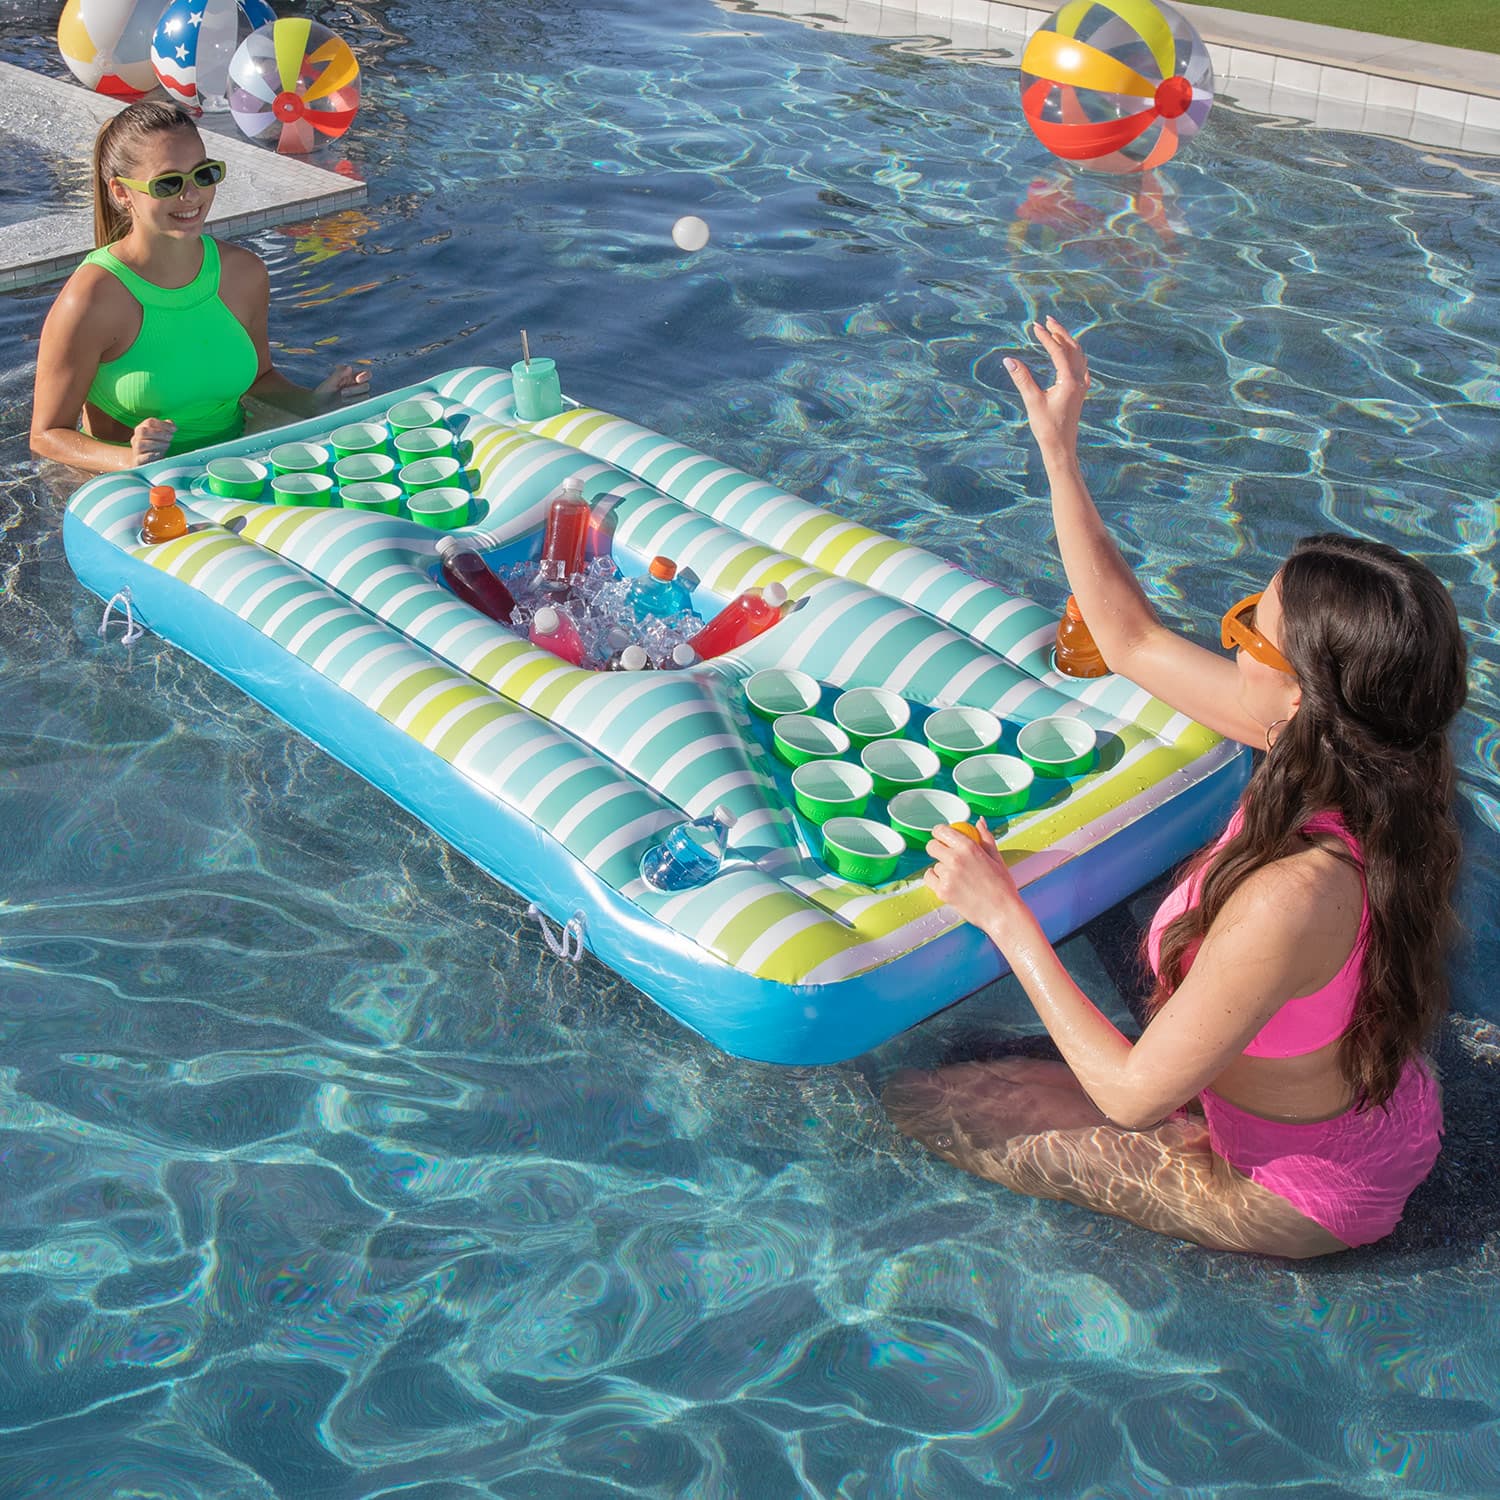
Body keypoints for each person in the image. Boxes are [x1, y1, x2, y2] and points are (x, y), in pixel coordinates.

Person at [884, 318, 1468, 1258]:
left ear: (1297, 690)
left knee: (933, 1101)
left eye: (1248, 624)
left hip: (1302, 1191)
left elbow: (1129, 1095)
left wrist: (1002, 915)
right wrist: (1061, 456)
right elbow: (1131, 641)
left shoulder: (1294, 893)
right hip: (1368, 1104)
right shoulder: (1377, 754)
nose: (1228, 636)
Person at [30, 101, 370, 475]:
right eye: (168, 183)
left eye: (203, 175)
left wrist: (312, 402)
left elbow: (258, 379)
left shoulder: (243, 273)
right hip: (134, 490)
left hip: (234, 471)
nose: (191, 195)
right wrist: (127, 458)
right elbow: (47, 434)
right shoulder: (93, 297)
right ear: (122, 193)